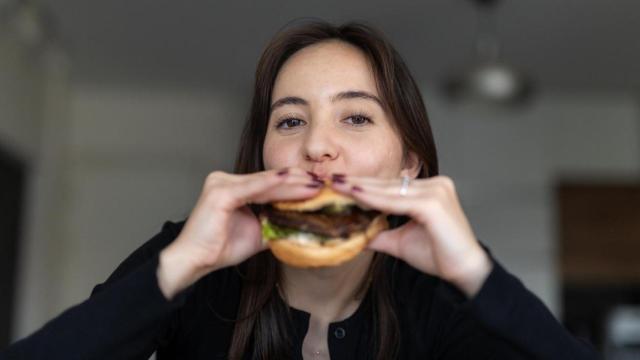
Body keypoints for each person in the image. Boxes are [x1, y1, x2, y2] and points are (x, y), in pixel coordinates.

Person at [1, 20, 601, 360]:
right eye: (290, 120)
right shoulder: (191, 260)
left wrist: (477, 277)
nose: (317, 146)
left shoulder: (447, 293)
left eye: (356, 117)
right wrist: (178, 266)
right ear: (262, 152)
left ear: (409, 163)